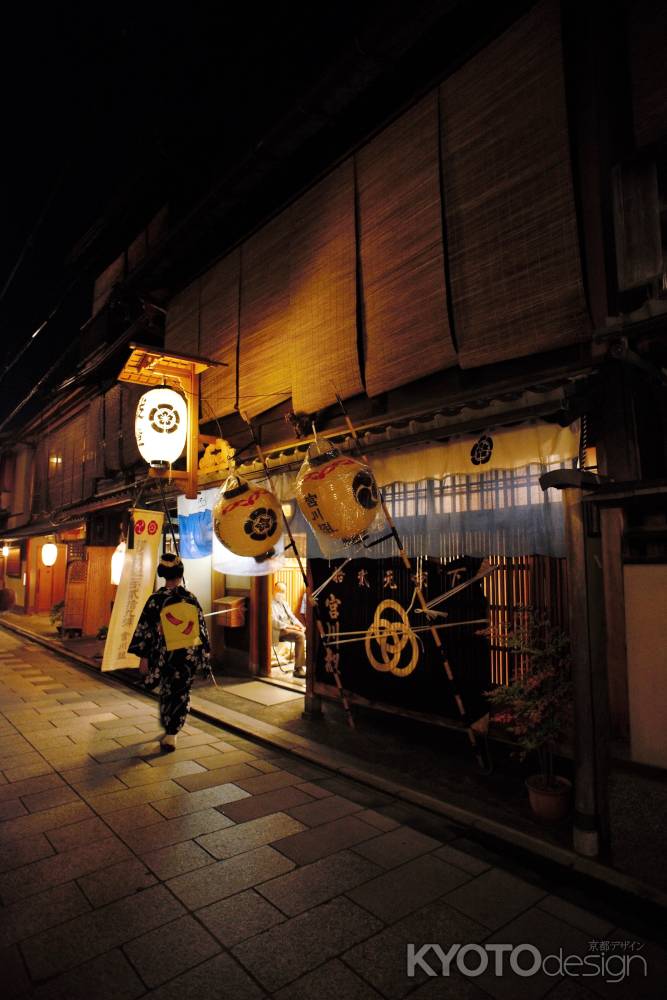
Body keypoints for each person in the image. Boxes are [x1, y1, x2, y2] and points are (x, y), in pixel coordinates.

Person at [128, 553, 211, 752]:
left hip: (164, 654)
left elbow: (145, 630)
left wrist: (144, 657)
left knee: (167, 691)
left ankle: (170, 729)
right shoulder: (191, 599)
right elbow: (201, 630)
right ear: (181, 574)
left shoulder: (156, 599)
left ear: (163, 575)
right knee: (181, 692)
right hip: (186, 655)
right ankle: (172, 732)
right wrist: (204, 657)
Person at [271, 581, 306, 678]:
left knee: (305, 632)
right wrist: (292, 627)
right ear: (273, 590)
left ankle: (307, 663)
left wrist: (301, 626)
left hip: (288, 629)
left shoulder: (284, 603)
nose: (280, 593)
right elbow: (274, 622)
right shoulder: (270, 603)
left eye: (283, 591)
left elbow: (292, 617)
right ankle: (298, 668)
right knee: (300, 635)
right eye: (278, 590)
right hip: (277, 631)